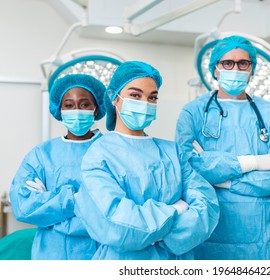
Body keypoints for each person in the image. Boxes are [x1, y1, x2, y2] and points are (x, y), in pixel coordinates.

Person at [74, 60, 219, 260]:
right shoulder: (99, 154)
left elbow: (207, 208)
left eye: (152, 97)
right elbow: (117, 224)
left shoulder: (172, 151)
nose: (144, 103)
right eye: (135, 95)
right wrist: (175, 210)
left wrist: (152, 231)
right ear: (113, 98)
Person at [175, 35, 270, 260]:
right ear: (216, 69)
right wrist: (255, 163)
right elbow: (188, 167)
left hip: (259, 237)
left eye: (243, 63)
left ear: (252, 69)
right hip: (208, 228)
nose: (235, 68)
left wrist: (220, 178)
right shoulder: (192, 113)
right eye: (227, 63)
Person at [9, 74, 106, 259]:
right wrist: (76, 198)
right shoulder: (42, 155)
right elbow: (23, 207)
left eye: (85, 104)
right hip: (52, 254)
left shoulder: (111, 150)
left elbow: (118, 209)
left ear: (96, 109)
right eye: (69, 105)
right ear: (60, 110)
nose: (77, 110)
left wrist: (50, 205)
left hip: (101, 253)